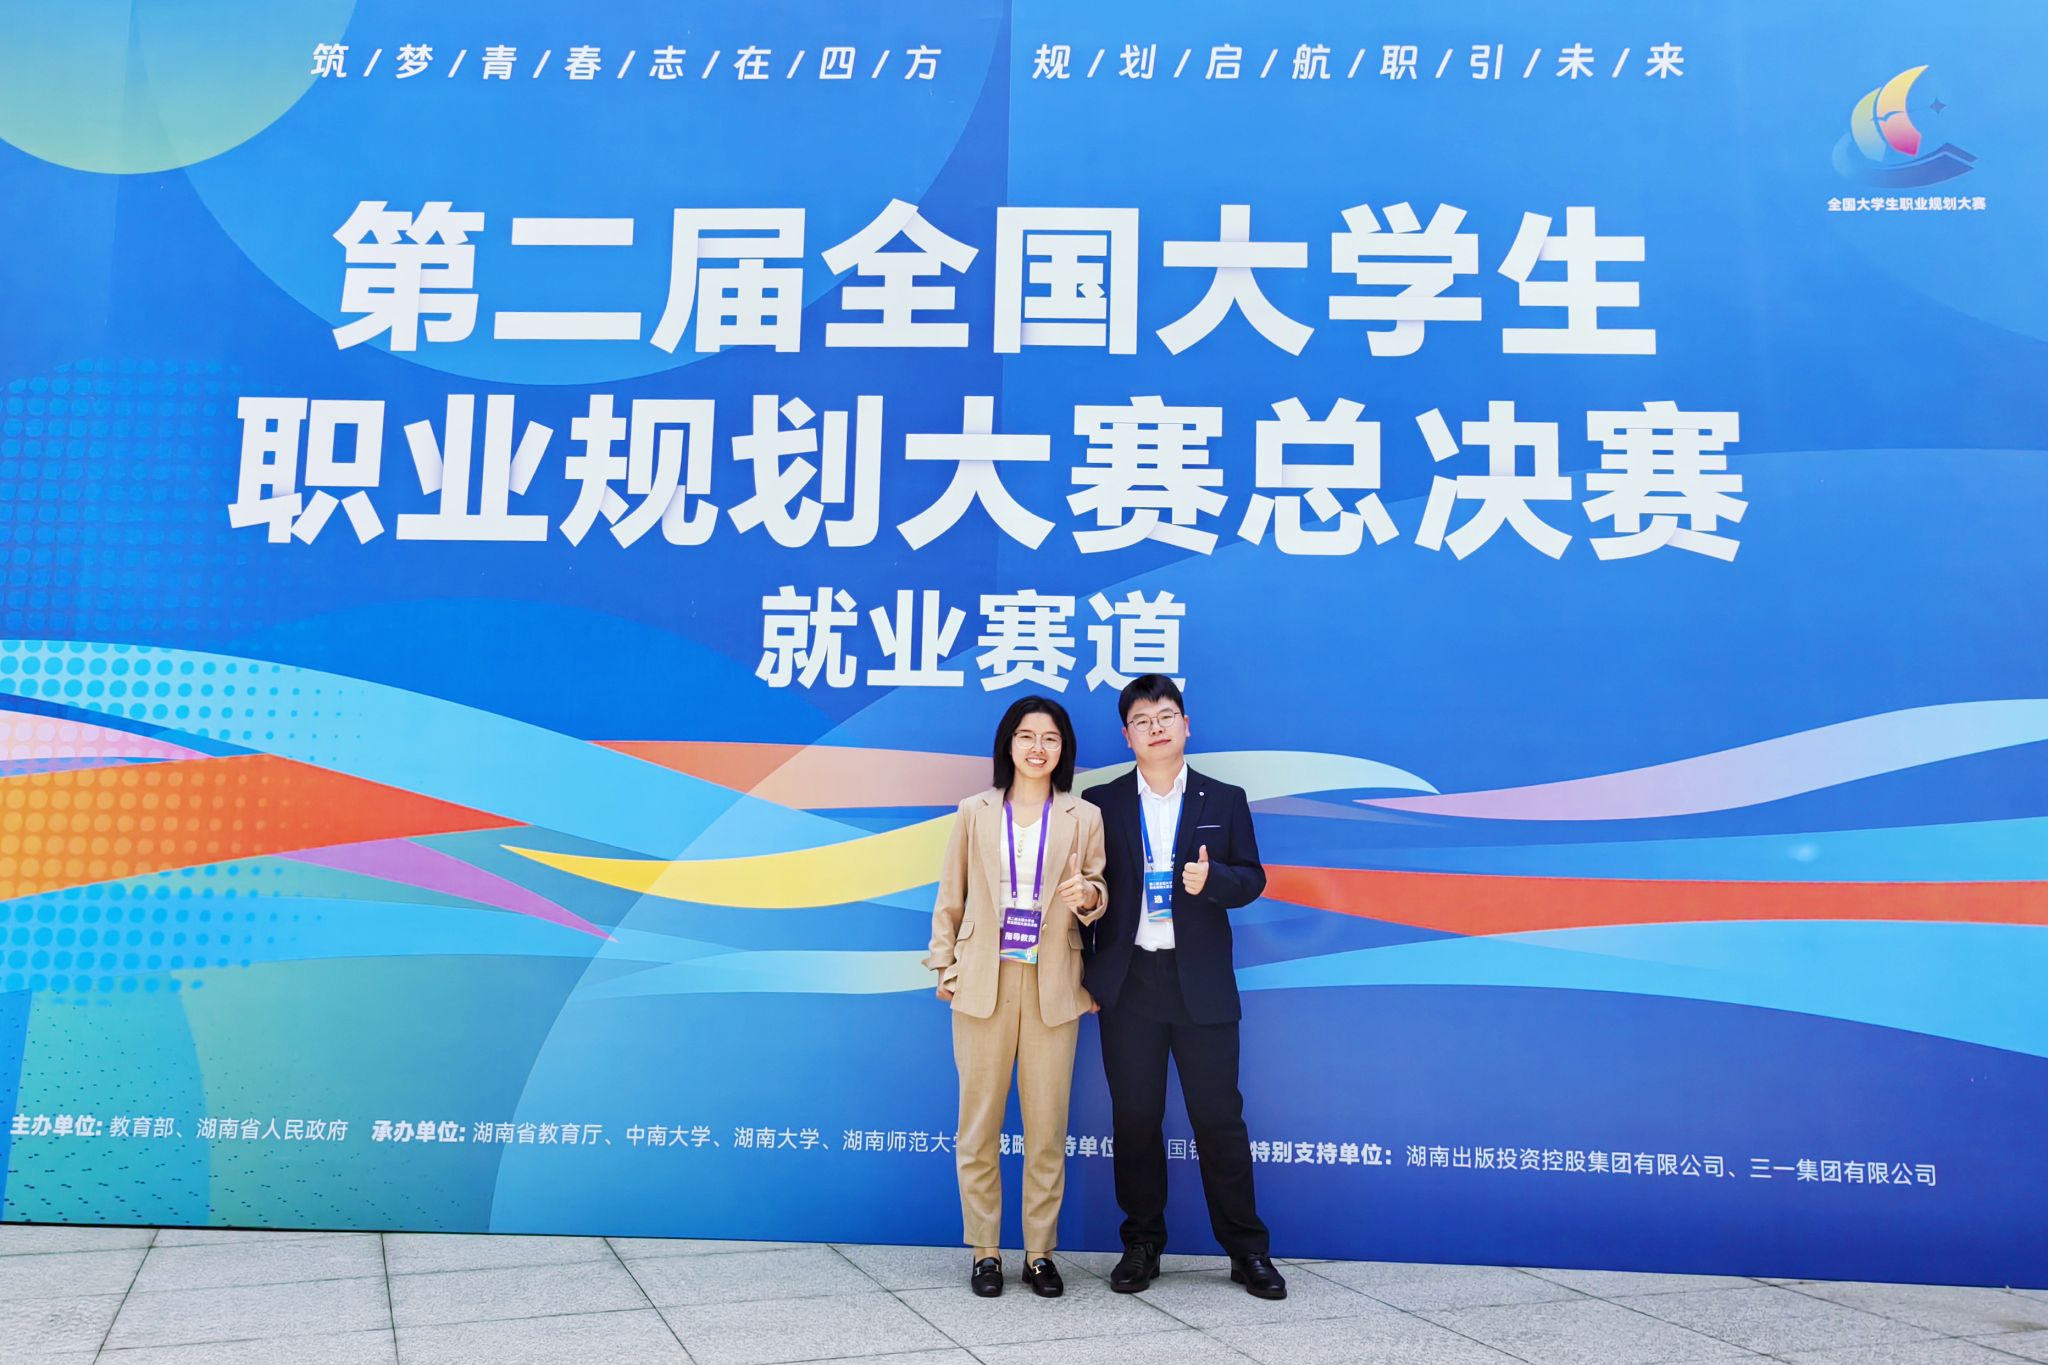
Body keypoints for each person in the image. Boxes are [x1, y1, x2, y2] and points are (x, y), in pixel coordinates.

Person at [1082, 674, 1287, 1299]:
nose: (1155, 728)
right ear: (1127, 736)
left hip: (1200, 981)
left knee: (1219, 1118)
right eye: (1141, 721)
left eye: (1165, 716)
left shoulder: (1223, 798)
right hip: (1130, 982)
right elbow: (1088, 886)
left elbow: (1252, 878)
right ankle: (1142, 1245)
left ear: (1186, 725)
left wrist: (1213, 880)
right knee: (1135, 1118)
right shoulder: (1101, 803)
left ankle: (1247, 1250)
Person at [925, 695, 1109, 1298]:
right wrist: (944, 964)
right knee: (977, 1125)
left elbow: (1099, 892)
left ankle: (1039, 1254)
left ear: (1063, 749)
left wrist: (1088, 896)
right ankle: (985, 1251)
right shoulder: (974, 811)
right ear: (1009, 743)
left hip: (1055, 982)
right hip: (984, 977)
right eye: (1027, 736)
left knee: (1047, 1127)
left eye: (1050, 738)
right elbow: (951, 893)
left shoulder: (1083, 815)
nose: (1038, 748)